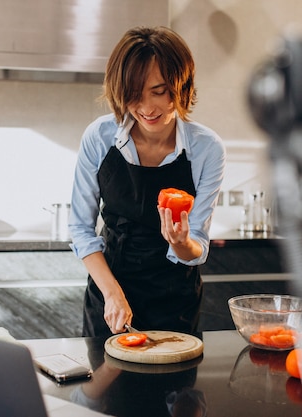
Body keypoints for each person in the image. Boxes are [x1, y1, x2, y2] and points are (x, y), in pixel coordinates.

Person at [69, 26, 225, 338]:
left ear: (181, 87)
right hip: (110, 294)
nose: (147, 108)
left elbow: (197, 246)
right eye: (134, 96)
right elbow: (80, 229)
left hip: (175, 301)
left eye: (158, 91)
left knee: (174, 386)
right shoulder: (100, 137)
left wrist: (180, 243)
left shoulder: (206, 148)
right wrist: (112, 294)